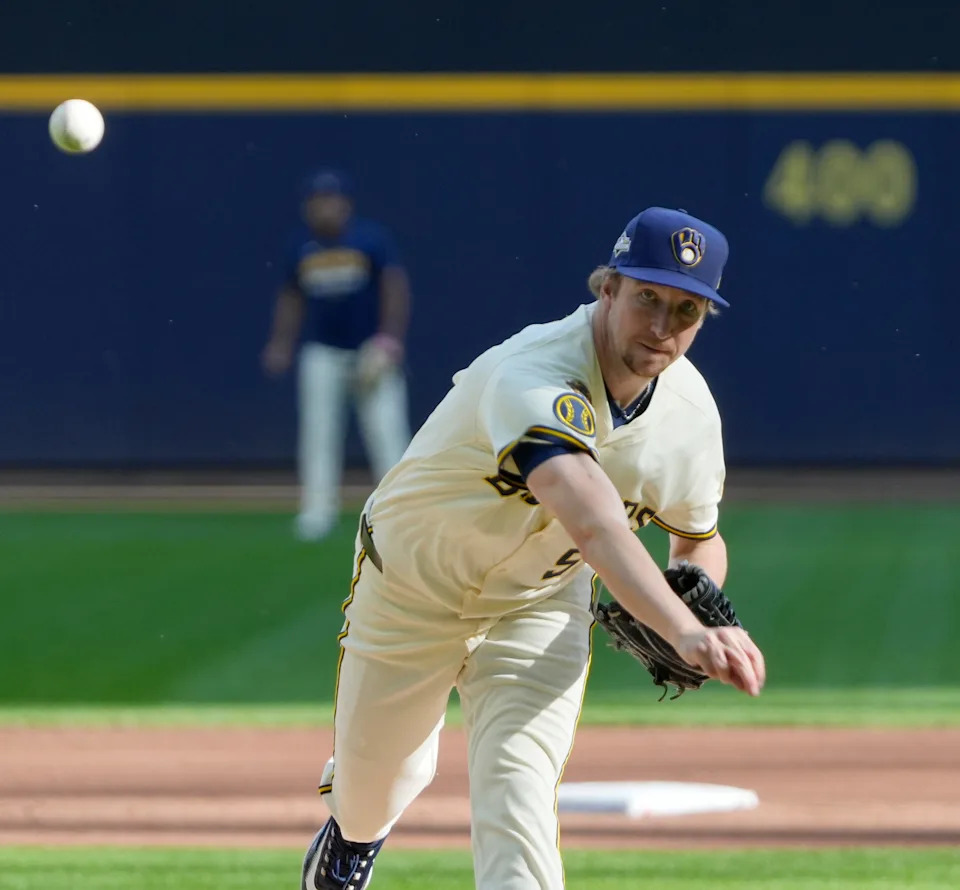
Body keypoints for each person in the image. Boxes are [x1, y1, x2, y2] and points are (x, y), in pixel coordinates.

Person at [300, 207, 766, 890]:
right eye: (648, 298)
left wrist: (692, 591)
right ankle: (350, 839)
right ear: (606, 288)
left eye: (687, 310)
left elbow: (697, 538)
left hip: (540, 605)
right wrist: (683, 629)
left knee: (520, 793)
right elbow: (594, 521)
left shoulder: (690, 415)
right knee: (377, 789)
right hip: (411, 587)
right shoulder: (535, 370)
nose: (663, 327)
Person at [262, 169, 412, 541]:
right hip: (323, 352)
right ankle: (318, 511)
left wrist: (389, 340)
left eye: (330, 199)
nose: (324, 208)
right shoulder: (301, 246)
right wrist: (282, 341)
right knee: (318, 434)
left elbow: (394, 288)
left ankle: (400, 513)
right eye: (317, 201)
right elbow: (291, 297)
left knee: (387, 434)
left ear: (345, 204)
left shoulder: (369, 240)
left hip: (369, 350)